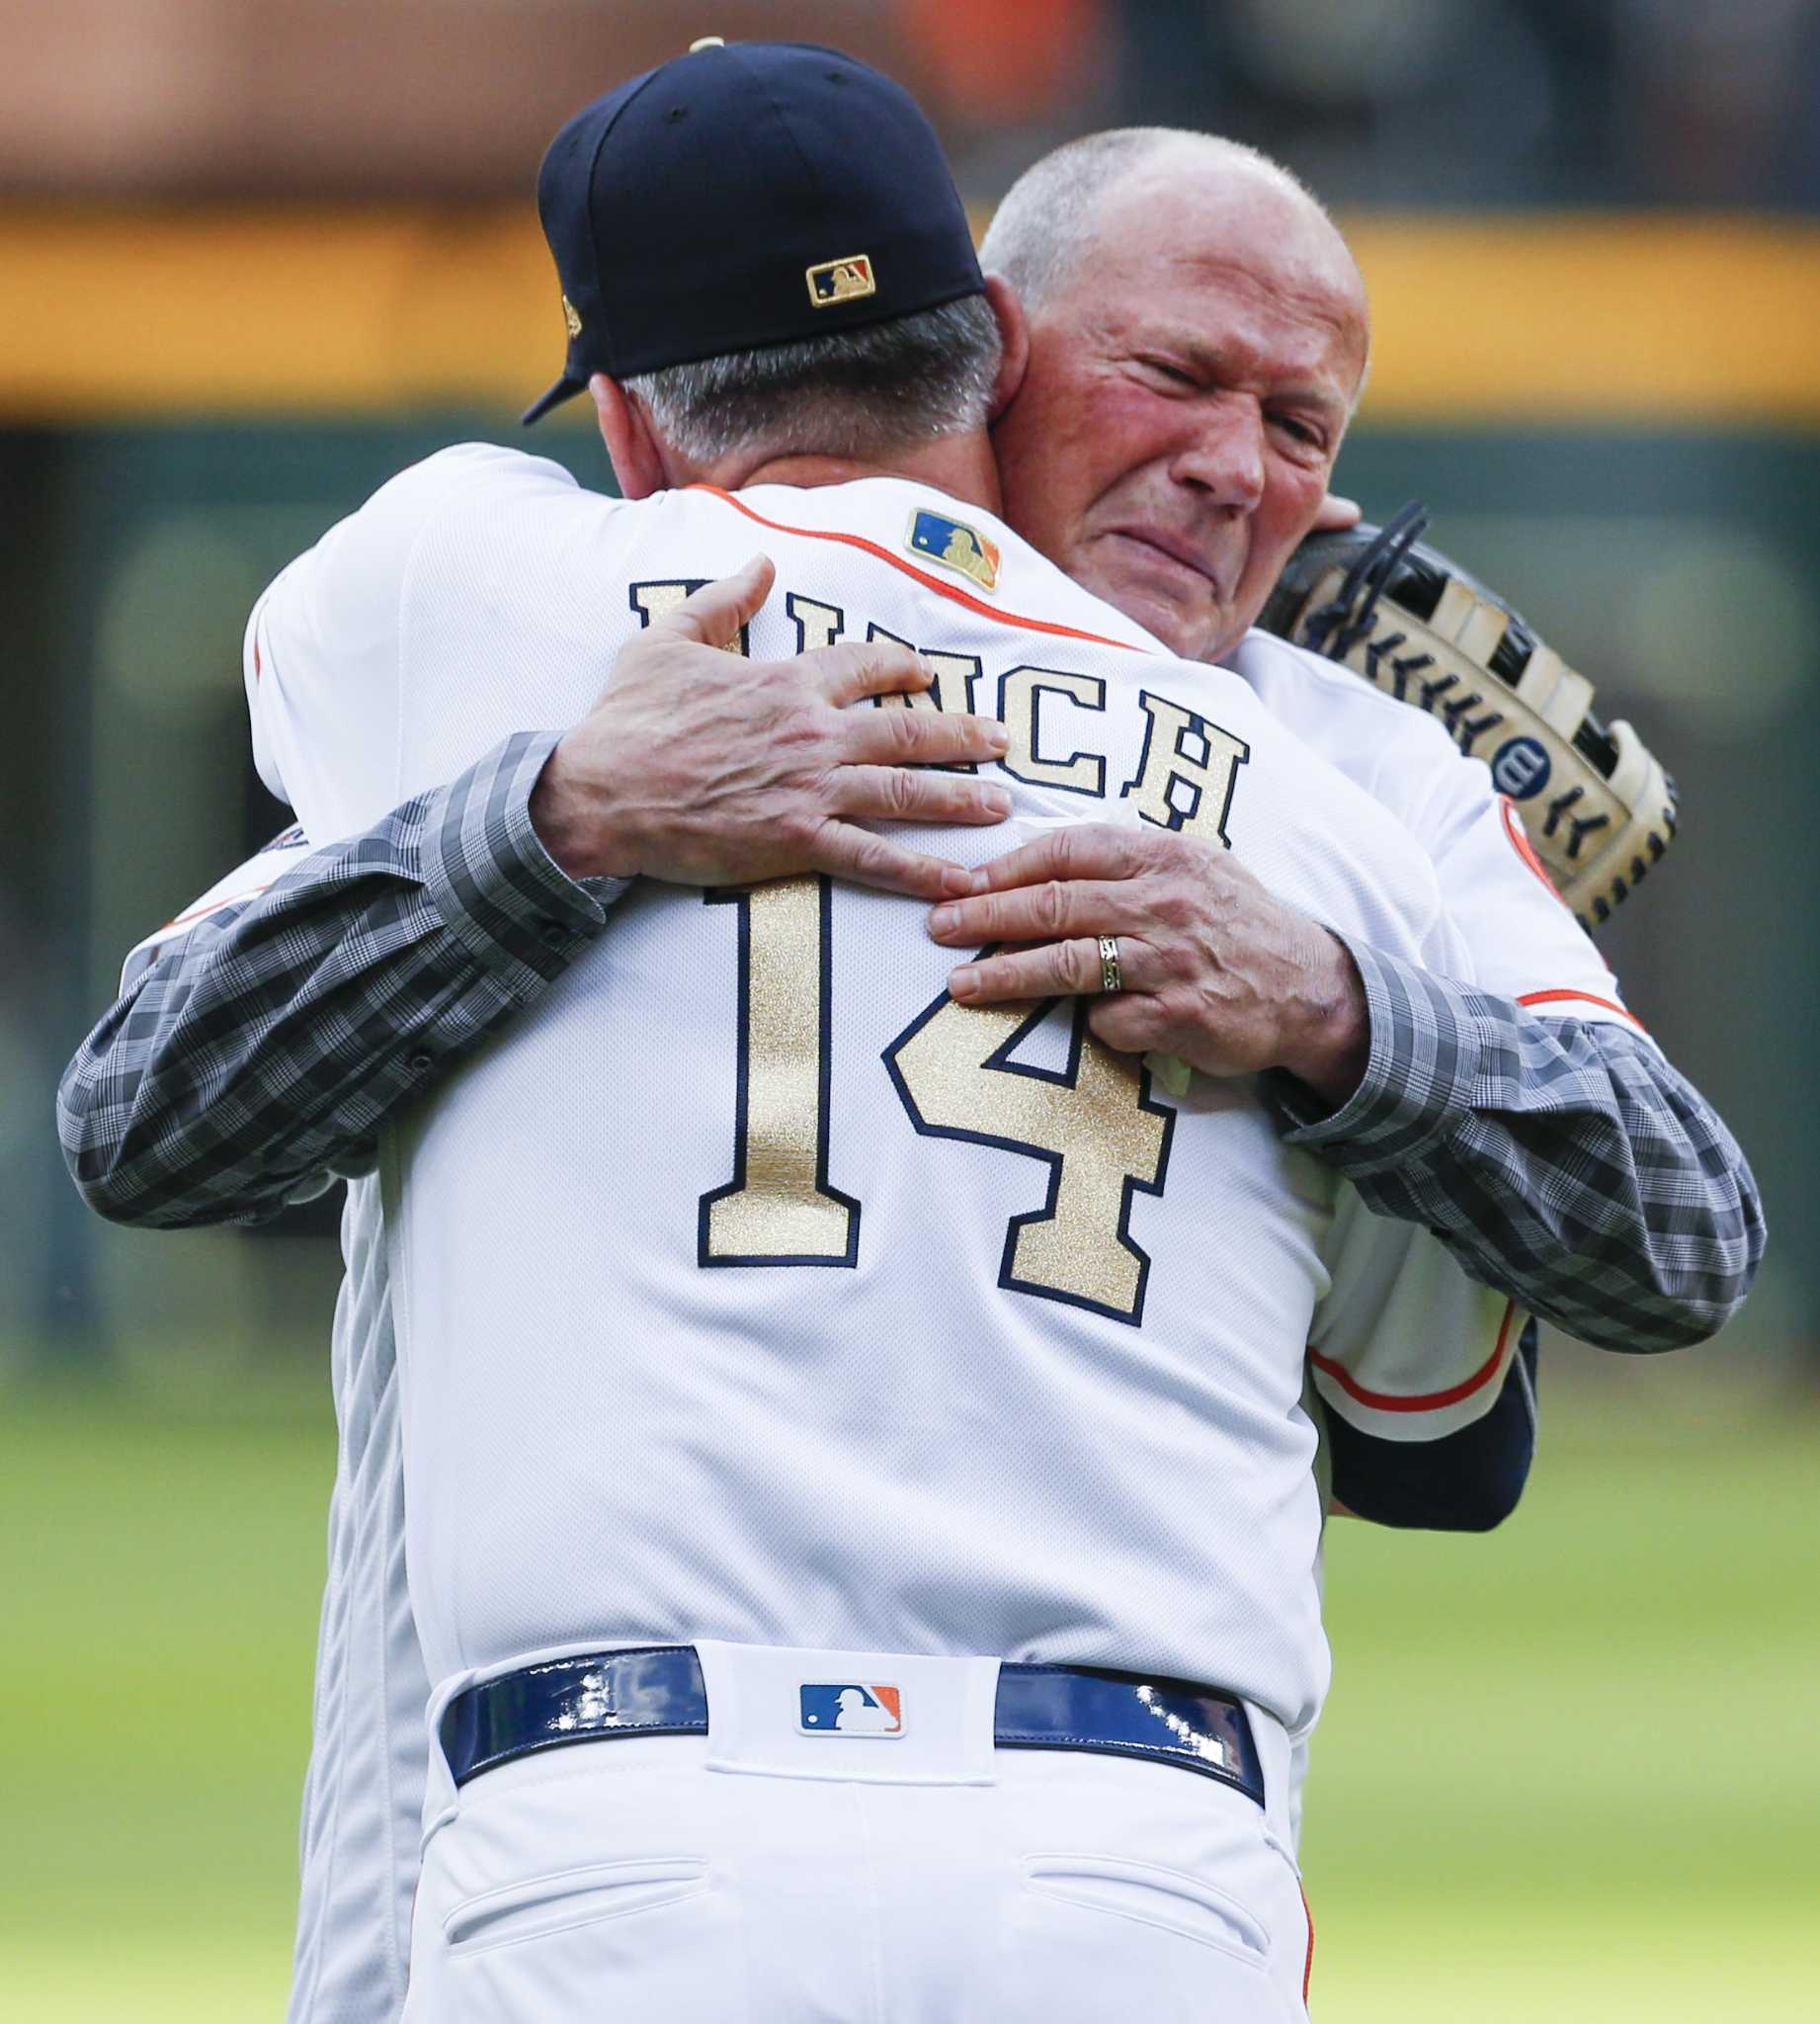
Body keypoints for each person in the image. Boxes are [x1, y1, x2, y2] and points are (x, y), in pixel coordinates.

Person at [57, 62, 1761, 2024]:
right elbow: (1460, 1429)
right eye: (1178, 378)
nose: (1235, 466)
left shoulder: (478, 591)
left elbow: (147, 1115)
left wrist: (551, 813)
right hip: (1129, 1847)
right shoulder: (1341, 791)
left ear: (623, 421)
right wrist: (1351, 1009)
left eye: (1297, 425)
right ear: (995, 355)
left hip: (609, 1829)